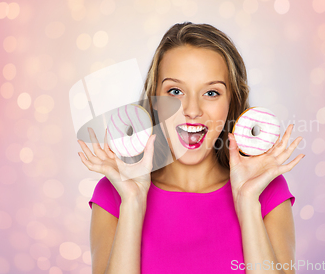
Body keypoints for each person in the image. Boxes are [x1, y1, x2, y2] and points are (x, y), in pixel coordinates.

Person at [77, 22, 305, 274]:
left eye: (211, 93)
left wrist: (248, 202)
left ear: (232, 102)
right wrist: (132, 201)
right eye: (175, 91)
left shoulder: (266, 190)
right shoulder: (115, 193)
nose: (192, 110)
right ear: (154, 99)